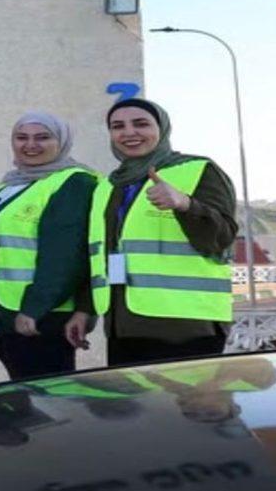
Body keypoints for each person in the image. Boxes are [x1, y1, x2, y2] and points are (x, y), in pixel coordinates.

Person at [69, 98, 238, 367]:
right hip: (123, 324)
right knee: (131, 397)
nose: (129, 133)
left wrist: (185, 204)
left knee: (187, 397)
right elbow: (102, 255)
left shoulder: (199, 170)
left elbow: (221, 238)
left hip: (186, 326)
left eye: (141, 124)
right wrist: (85, 310)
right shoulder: (109, 185)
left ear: (162, 128)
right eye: (118, 126)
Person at [0, 112, 98, 381]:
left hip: (39, 317)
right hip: (2, 311)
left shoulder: (73, 182)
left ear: (62, 142)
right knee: (24, 394)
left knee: (48, 399)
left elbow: (65, 256)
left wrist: (34, 308)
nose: (30, 145)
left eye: (42, 138)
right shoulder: (13, 184)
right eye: (21, 137)